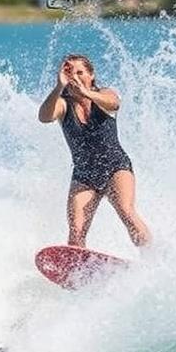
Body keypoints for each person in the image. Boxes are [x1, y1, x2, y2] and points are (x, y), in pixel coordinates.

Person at [38, 54, 152, 249]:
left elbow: (114, 103)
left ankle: (153, 257)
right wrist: (58, 87)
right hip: (84, 175)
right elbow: (44, 117)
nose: (74, 75)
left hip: (116, 167)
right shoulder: (63, 104)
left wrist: (86, 92)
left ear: (91, 75)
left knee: (126, 211)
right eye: (69, 72)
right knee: (76, 230)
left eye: (80, 72)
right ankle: (79, 274)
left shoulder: (104, 94)